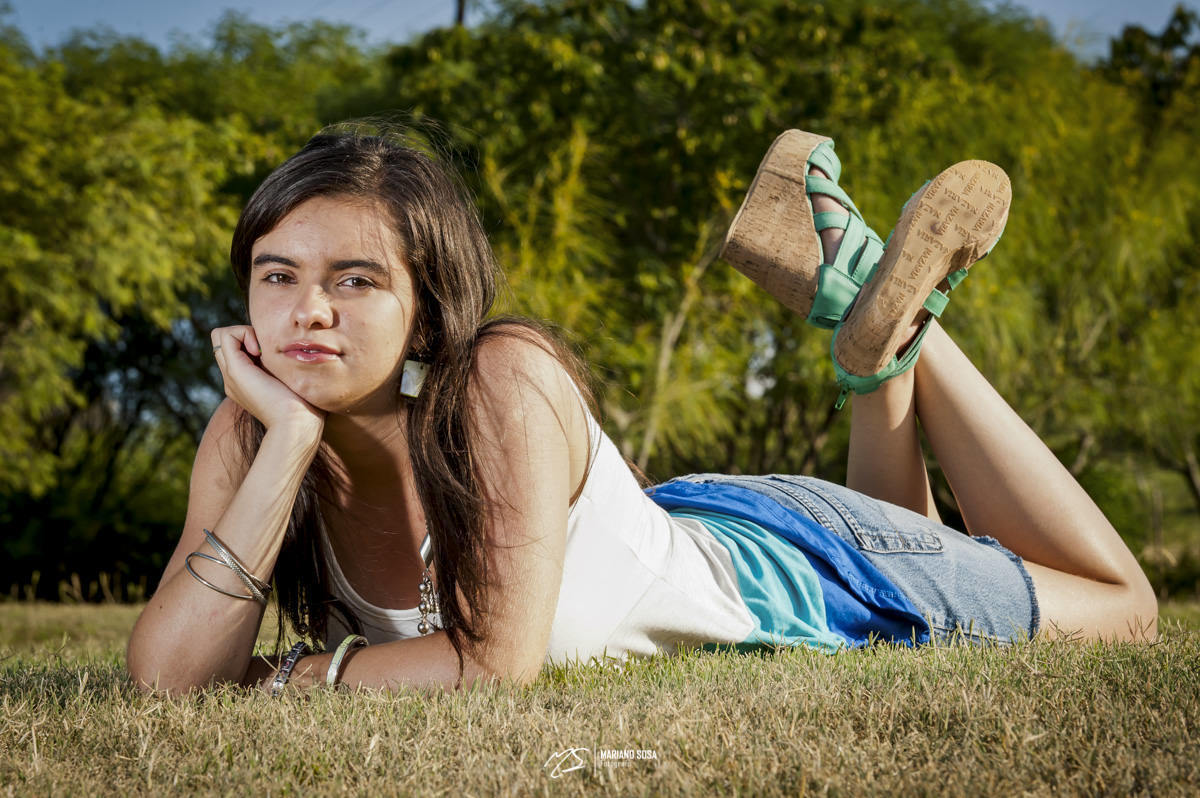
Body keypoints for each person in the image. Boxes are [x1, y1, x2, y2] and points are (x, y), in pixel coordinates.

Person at [126, 128, 1157, 695]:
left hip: (796, 571)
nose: (306, 311)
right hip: (699, 527)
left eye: (354, 280)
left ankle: (904, 333)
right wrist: (288, 444)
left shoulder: (500, 379)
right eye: (277, 276)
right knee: (926, 588)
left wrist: (287, 678)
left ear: (427, 308)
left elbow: (491, 668)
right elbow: (168, 681)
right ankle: (865, 331)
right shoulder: (252, 435)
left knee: (1123, 610)